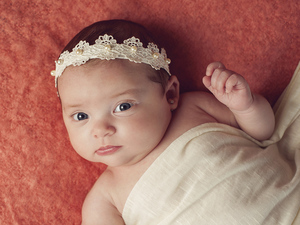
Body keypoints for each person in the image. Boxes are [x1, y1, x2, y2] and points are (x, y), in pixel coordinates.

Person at [51, 20, 275, 224]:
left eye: (123, 106)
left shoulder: (195, 108)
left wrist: (245, 106)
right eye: (81, 116)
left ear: (170, 95)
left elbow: (262, 132)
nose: (100, 130)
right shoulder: (105, 198)